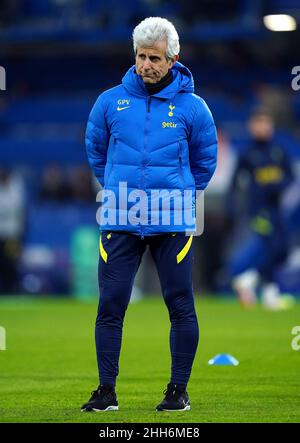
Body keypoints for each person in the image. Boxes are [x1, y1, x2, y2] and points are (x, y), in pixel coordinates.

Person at [82, 17, 217, 412]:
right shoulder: (109, 101)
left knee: (180, 305)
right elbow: (96, 151)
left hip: (171, 222)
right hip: (120, 218)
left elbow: (205, 162)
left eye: (155, 58)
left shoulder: (194, 108)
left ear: (173, 58)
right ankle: (106, 392)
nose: (146, 65)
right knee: (110, 305)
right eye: (141, 56)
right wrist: (117, 190)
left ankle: (178, 391)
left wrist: (177, 197)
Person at [227, 107, 294, 309]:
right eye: (258, 124)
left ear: (271, 126)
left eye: (265, 124)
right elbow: (234, 181)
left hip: (276, 208)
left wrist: (278, 184)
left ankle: (249, 280)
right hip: (258, 210)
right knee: (272, 246)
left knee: (281, 250)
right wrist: (231, 206)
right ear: (251, 127)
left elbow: (290, 177)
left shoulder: (279, 150)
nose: (262, 128)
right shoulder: (247, 153)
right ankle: (270, 294)